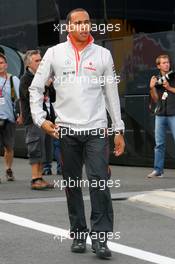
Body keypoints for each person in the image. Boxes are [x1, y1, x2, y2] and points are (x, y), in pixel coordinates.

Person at [29, 8, 125, 259]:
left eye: (87, 23)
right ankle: (79, 234)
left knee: (99, 184)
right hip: (66, 132)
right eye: (79, 23)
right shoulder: (54, 54)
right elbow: (36, 88)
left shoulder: (103, 54)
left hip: (96, 131)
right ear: (69, 27)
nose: (84, 26)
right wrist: (41, 120)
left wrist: (118, 129)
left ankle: (101, 239)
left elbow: (111, 94)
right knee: (72, 186)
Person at [19, 50, 54, 190]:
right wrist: (45, 85)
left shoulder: (42, 76)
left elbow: (53, 97)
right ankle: (35, 179)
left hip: (45, 118)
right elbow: (29, 96)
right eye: (37, 61)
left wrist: (50, 86)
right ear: (28, 64)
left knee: (44, 149)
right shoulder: (25, 79)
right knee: (35, 148)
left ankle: (40, 177)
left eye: (41, 60)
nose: (41, 63)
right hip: (33, 120)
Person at [147, 54, 175, 178]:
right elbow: (156, 99)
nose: (166, 64)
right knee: (159, 144)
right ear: (158, 65)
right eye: (163, 63)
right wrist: (152, 87)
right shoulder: (156, 78)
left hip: (174, 113)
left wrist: (169, 87)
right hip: (160, 115)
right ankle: (158, 170)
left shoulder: (173, 76)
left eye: (167, 62)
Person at [0, 52, 21, 182]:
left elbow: (19, 100)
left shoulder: (13, 79)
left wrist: (21, 115)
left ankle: (8, 169)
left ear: (6, 65)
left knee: (9, 147)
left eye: (2, 62)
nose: (0, 65)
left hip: (9, 118)